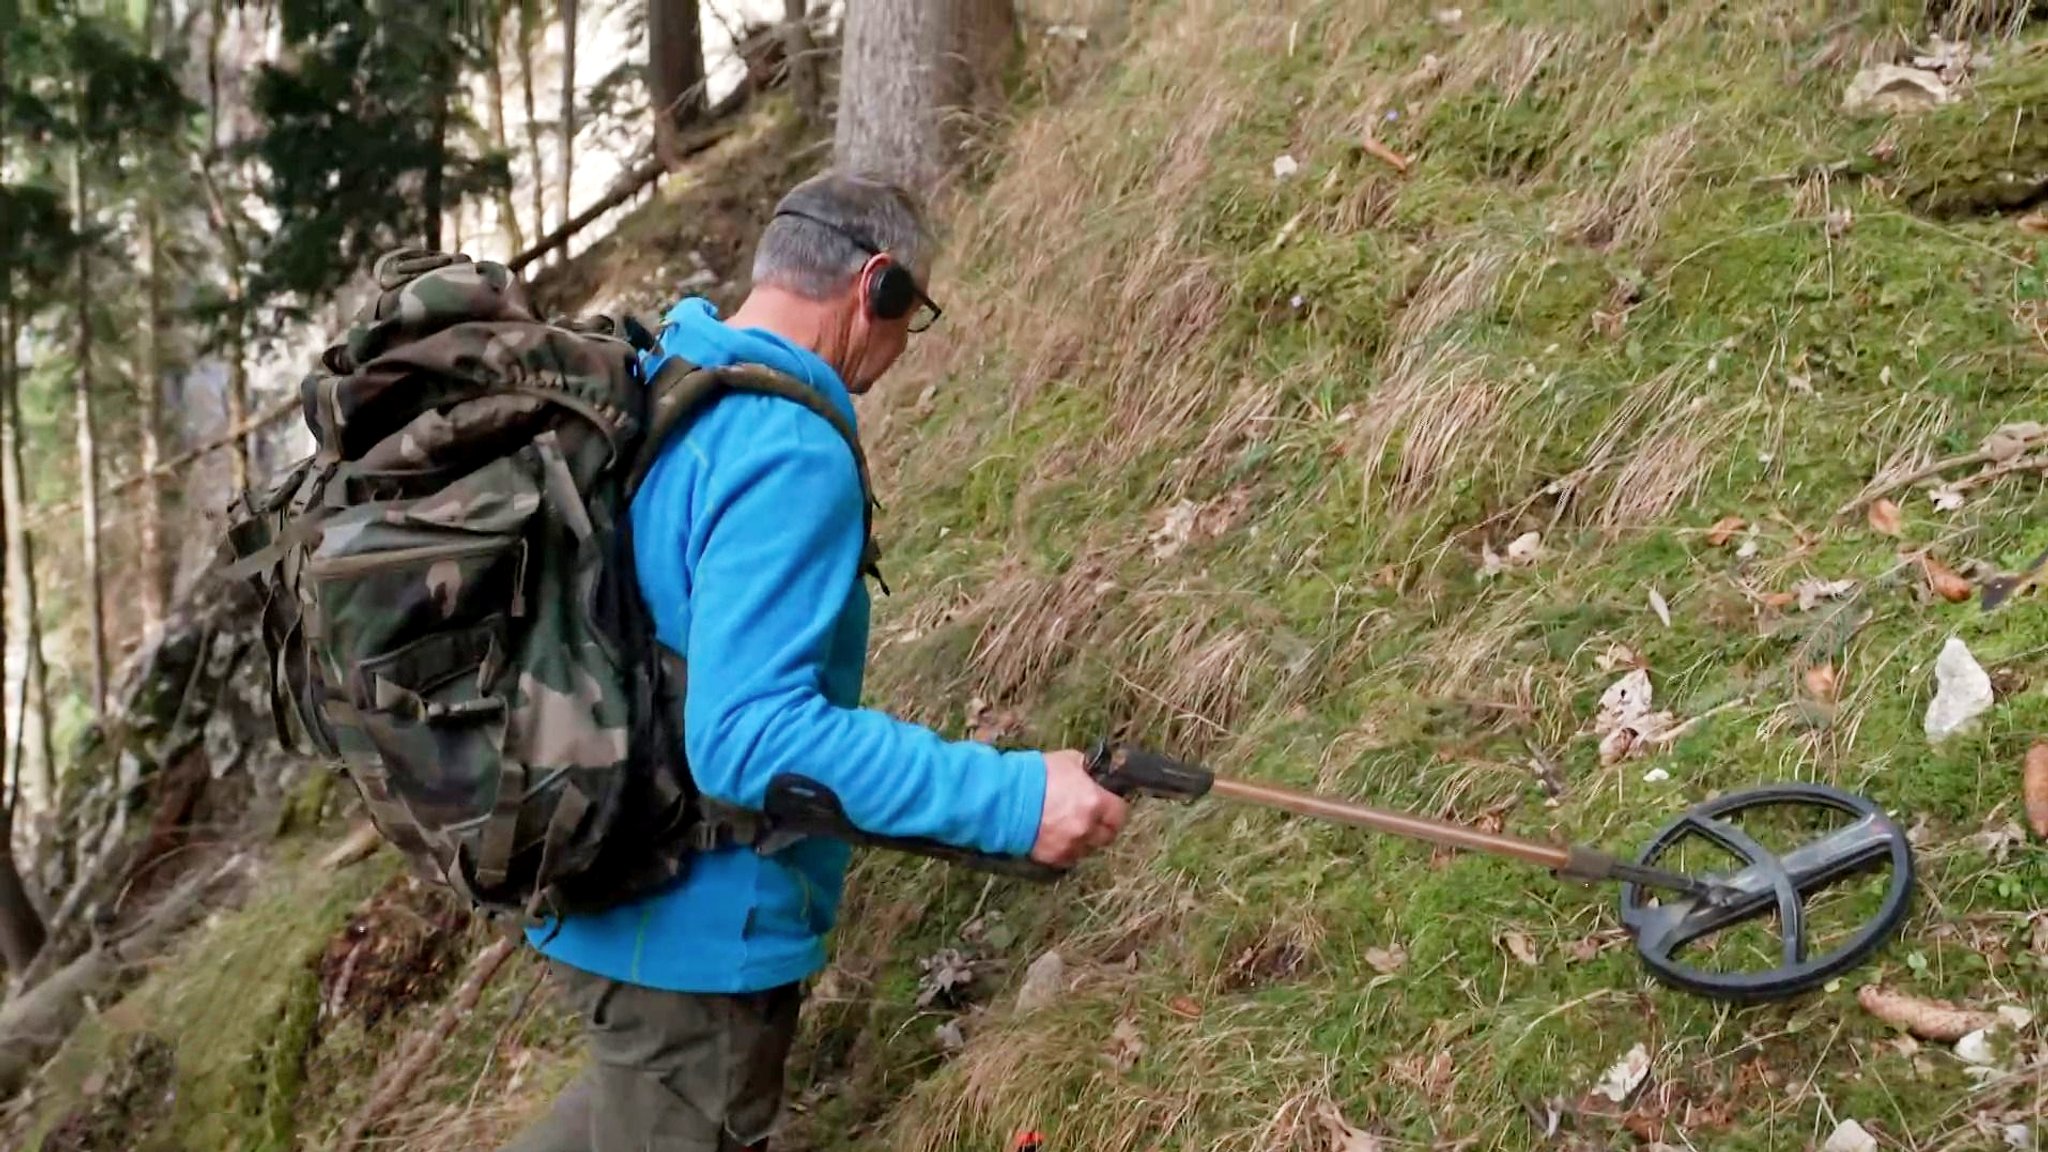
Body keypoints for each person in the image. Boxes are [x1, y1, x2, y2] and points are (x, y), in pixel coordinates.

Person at [499, 169, 1131, 1152]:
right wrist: (1016, 800)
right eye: (907, 315)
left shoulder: (666, 378)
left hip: (603, 888)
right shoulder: (785, 447)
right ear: (874, 287)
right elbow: (750, 739)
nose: (896, 349)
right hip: (693, 942)